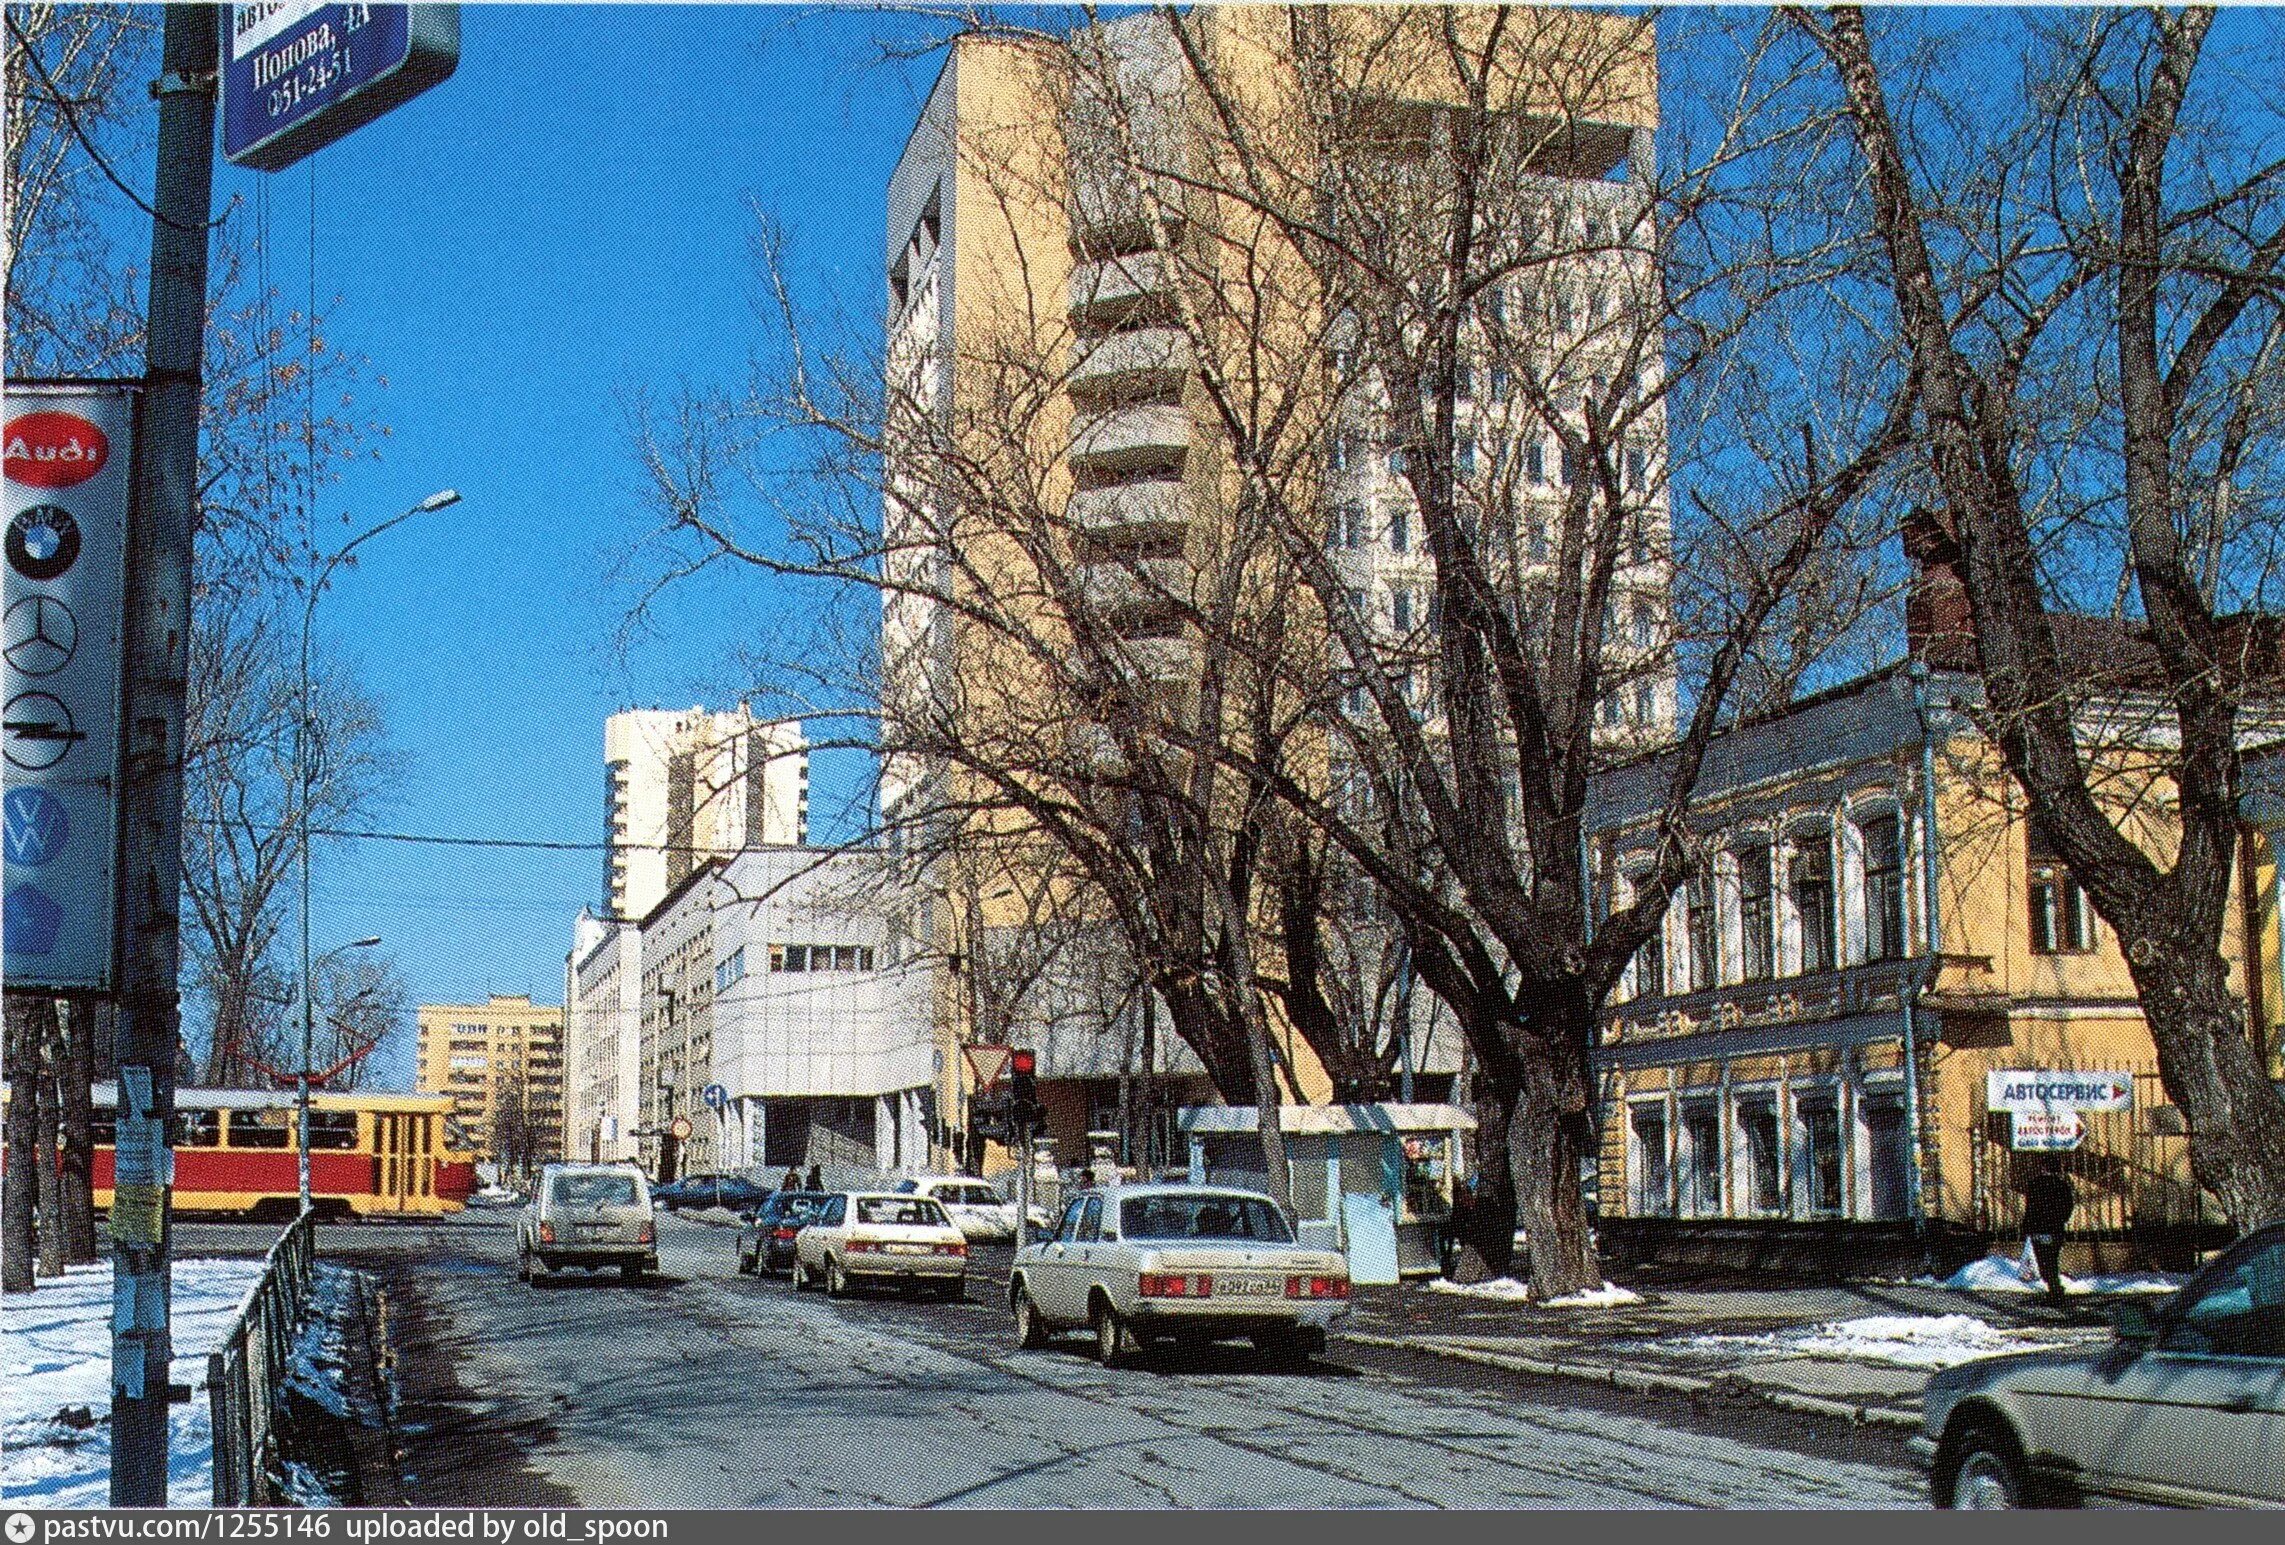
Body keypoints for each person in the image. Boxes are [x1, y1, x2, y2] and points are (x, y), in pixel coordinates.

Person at [2020, 1158, 2076, 1307]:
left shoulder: (2034, 1185)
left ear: (2043, 1168)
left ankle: (2054, 1291)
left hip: (2038, 1228)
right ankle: (2055, 1289)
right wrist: (2060, 1220)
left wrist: (2027, 1226)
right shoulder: (2063, 1185)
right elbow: (2068, 1206)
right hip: (2055, 1229)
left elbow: (2030, 1207)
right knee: (2052, 1259)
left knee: (2043, 1261)